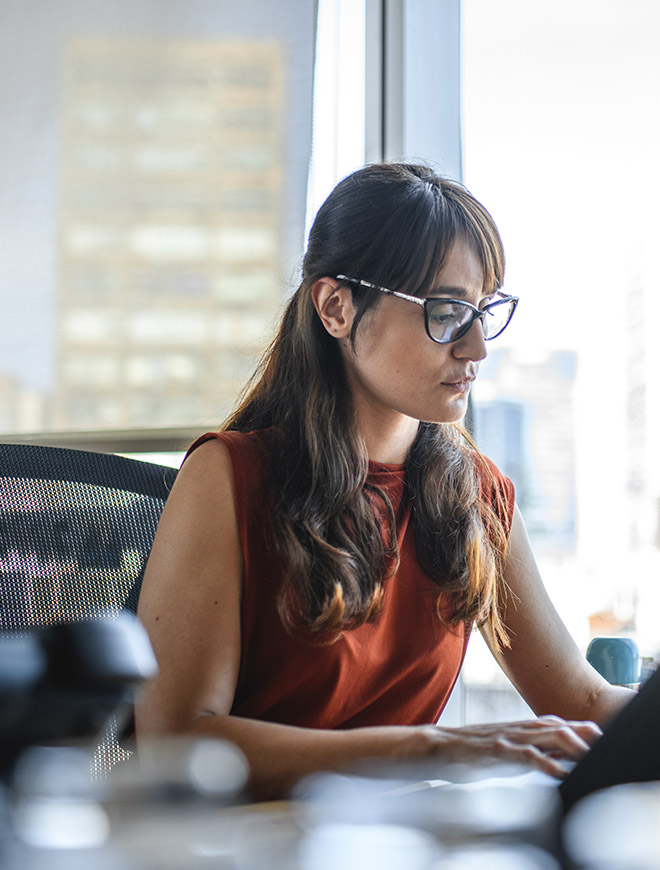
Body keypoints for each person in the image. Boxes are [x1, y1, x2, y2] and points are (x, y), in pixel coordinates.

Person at [134, 163, 634, 799]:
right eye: (449, 311)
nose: (478, 347)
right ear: (337, 307)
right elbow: (176, 739)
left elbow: (582, 699)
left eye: (484, 311)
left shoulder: (476, 495)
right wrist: (433, 748)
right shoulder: (229, 476)